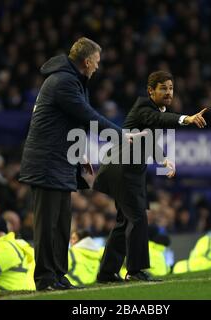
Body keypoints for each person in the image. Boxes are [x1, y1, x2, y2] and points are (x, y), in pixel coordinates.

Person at [19, 37, 141, 291]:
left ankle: (58, 276)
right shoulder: (63, 82)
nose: (97, 67)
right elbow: (87, 115)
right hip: (46, 162)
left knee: (62, 224)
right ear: (86, 62)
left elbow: (77, 121)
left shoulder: (72, 81)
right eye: (96, 62)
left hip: (61, 160)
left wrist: (82, 152)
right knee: (47, 224)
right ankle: (45, 279)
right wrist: (122, 135)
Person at [93, 70, 208, 282]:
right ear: (150, 91)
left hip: (127, 172)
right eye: (163, 88)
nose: (168, 92)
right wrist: (186, 118)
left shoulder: (154, 111)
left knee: (124, 222)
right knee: (137, 219)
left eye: (171, 88)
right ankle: (135, 271)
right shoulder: (144, 107)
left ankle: (107, 273)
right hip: (123, 170)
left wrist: (164, 160)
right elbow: (159, 119)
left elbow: (148, 141)